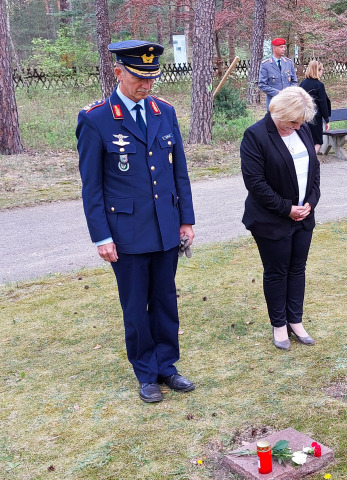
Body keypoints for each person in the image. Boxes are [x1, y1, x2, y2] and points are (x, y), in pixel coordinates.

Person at [77, 40, 196, 403]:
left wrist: (186, 220)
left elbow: (180, 174)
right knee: (135, 305)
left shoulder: (164, 111)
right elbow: (92, 187)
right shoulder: (96, 118)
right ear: (118, 73)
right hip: (126, 232)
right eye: (139, 78)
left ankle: (167, 366)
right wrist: (101, 237)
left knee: (165, 300)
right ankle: (145, 372)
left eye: (152, 78)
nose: (146, 86)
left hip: (165, 226)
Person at [240, 87, 320, 351]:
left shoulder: (303, 130)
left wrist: (310, 202)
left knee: (298, 268)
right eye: (292, 122)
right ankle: (278, 324)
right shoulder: (255, 135)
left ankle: (295, 321)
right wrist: (287, 209)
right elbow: (256, 183)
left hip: (303, 216)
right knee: (277, 271)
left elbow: (314, 172)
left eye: (300, 123)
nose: (296, 127)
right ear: (278, 112)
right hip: (270, 219)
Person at [299, 60, 330, 153]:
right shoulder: (319, 85)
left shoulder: (302, 84)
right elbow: (322, 103)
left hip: (303, 116)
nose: (322, 72)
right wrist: (327, 120)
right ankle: (312, 160)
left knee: (306, 140)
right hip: (315, 117)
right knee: (317, 142)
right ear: (317, 70)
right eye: (321, 70)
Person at [258, 38, 298, 110]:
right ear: (274, 48)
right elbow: (262, 85)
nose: (283, 49)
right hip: (274, 103)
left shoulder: (289, 63)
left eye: (284, 47)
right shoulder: (266, 65)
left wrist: (289, 92)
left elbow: (294, 81)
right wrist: (277, 93)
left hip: (288, 102)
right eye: (281, 47)